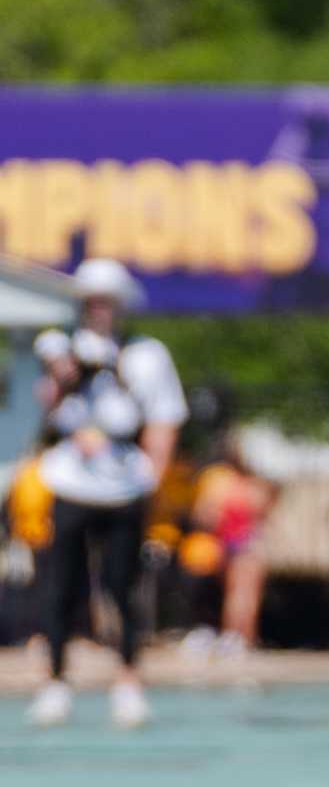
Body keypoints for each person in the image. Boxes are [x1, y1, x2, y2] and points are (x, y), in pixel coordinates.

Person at [30, 258, 187, 729]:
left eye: (106, 300)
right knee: (61, 587)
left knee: (122, 586)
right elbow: (45, 401)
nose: (98, 308)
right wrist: (64, 374)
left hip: (123, 484)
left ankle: (128, 681)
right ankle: (56, 681)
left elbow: (164, 416)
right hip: (72, 481)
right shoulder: (62, 344)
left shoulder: (146, 353)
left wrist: (152, 475)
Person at [186, 440, 276, 655]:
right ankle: (239, 637)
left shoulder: (221, 484)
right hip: (248, 544)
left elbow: (204, 515)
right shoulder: (257, 488)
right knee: (245, 594)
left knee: (235, 593)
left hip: (228, 543)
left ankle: (235, 637)